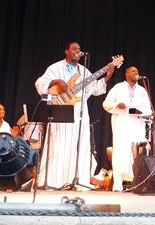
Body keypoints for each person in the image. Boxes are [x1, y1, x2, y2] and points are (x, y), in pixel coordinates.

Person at [34, 41, 116, 189]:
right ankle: (54, 182)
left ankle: (77, 180)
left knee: (79, 147)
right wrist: (58, 81)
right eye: (74, 49)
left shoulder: (84, 71)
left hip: (79, 114)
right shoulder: (55, 68)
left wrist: (107, 77)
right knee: (59, 145)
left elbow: (95, 89)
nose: (77, 51)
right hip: (61, 110)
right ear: (66, 51)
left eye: (79, 49)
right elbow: (40, 83)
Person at [102, 66, 155, 192]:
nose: (136, 73)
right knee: (120, 152)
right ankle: (117, 183)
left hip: (137, 124)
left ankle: (136, 183)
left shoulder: (142, 90)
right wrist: (117, 105)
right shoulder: (118, 87)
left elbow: (147, 109)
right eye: (133, 71)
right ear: (126, 74)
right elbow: (106, 104)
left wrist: (151, 114)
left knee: (137, 154)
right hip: (122, 123)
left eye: (137, 71)